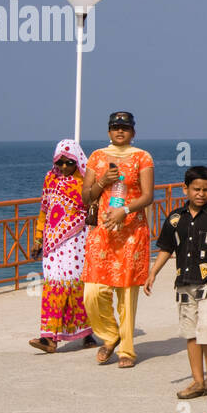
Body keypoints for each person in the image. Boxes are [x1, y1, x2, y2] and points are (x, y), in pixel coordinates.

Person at [145, 166, 207, 403]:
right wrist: (153, 273)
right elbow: (166, 248)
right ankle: (197, 381)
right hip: (184, 283)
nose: (201, 194)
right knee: (190, 332)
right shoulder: (174, 219)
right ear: (185, 189)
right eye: (196, 189)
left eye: (206, 190)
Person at [81, 111, 155, 368]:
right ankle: (110, 335)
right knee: (92, 292)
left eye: (125, 127)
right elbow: (86, 197)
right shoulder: (97, 157)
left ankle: (127, 349)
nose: (119, 131)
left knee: (126, 293)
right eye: (115, 127)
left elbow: (148, 196)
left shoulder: (142, 157)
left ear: (133, 132)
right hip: (102, 233)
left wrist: (125, 210)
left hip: (131, 232)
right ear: (109, 130)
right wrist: (102, 180)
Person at [28, 139, 96, 353]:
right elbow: (44, 210)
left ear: (77, 161)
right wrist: (38, 238)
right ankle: (49, 338)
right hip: (52, 242)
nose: (64, 167)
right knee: (53, 286)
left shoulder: (85, 181)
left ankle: (86, 332)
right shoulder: (50, 178)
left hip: (77, 240)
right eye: (60, 163)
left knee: (77, 286)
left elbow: (93, 209)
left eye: (69, 162)